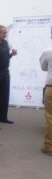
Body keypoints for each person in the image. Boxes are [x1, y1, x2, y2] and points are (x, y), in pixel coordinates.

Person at [0, 25, 17, 124]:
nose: (5, 34)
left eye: (6, 33)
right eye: (4, 33)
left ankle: (3, 117)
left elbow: (6, 57)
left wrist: (11, 54)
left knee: (5, 95)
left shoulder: (5, 43)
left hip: (5, 72)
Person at [39, 26, 52, 156]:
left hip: (51, 87)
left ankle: (49, 146)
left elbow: (43, 67)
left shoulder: (48, 51)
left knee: (50, 117)